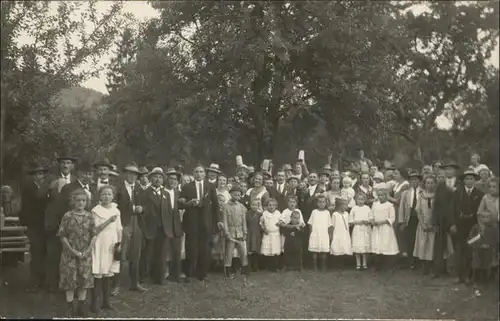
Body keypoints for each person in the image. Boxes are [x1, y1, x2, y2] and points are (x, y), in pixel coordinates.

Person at [179, 165, 222, 281]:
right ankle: (189, 272)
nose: (199, 174)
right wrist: (189, 203)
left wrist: (218, 220)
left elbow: (216, 205)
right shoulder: (187, 187)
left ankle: (202, 273)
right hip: (191, 221)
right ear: (193, 173)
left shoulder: (210, 186)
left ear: (204, 174)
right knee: (191, 248)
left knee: (205, 248)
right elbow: (180, 202)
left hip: (206, 221)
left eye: (201, 172)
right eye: (196, 172)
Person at [58, 189, 96, 317]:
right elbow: (62, 235)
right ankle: (70, 308)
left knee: (84, 281)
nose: (81, 203)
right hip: (70, 254)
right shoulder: (67, 216)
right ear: (73, 201)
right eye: (78, 200)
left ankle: (81, 307)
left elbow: (94, 235)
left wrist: (88, 251)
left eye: (83, 200)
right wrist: (72, 251)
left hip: (85, 255)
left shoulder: (90, 216)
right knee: (70, 282)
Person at [44, 154, 77, 291]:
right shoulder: (51, 180)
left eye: (68, 163)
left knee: (70, 254)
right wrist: (49, 190)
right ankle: (53, 284)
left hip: (71, 223)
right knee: (53, 254)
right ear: (59, 165)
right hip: (54, 223)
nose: (65, 165)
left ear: (72, 166)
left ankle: (68, 284)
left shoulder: (75, 181)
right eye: (63, 162)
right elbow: (43, 198)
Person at [114, 163, 147, 292]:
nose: (132, 176)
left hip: (137, 223)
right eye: (129, 173)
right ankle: (116, 285)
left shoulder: (139, 189)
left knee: (136, 254)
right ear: (125, 174)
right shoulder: (118, 188)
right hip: (123, 223)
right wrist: (133, 208)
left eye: (135, 174)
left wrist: (142, 208)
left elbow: (146, 204)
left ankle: (135, 283)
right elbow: (115, 206)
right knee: (121, 254)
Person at [91, 186, 122, 313]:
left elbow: (119, 228)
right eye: (104, 194)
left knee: (108, 274)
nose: (106, 197)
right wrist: (109, 220)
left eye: (109, 194)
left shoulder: (116, 210)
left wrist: (119, 243)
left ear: (113, 196)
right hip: (100, 243)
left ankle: (106, 302)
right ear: (99, 196)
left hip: (112, 243)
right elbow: (95, 229)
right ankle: (94, 304)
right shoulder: (96, 211)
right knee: (99, 273)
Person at [19, 163, 50, 291]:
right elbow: (31, 205)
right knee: (36, 253)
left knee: (43, 253)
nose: (39, 176)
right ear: (32, 176)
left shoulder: (43, 187)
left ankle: (42, 280)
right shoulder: (30, 188)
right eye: (37, 174)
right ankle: (34, 283)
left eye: (41, 173)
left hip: (44, 224)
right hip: (34, 225)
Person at [453, 169, 484, 284]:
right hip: (460, 225)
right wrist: (453, 224)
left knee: (471, 251)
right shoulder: (458, 193)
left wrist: (478, 225)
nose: (469, 181)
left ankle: (469, 275)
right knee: (460, 250)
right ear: (463, 180)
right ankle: (459, 275)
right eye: (467, 178)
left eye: (471, 178)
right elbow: (453, 209)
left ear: (475, 180)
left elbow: (480, 211)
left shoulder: (480, 194)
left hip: (473, 226)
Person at [222, 186, 249, 278]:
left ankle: (244, 269)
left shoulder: (241, 206)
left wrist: (245, 232)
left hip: (240, 231)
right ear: (230, 194)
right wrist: (226, 233)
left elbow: (243, 220)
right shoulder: (225, 206)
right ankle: (228, 270)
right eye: (235, 195)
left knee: (242, 251)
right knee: (229, 252)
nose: (237, 197)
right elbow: (224, 220)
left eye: (239, 195)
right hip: (231, 231)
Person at [398, 170, 423, 269]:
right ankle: (411, 261)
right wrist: (401, 221)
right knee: (410, 240)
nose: (414, 182)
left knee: (420, 239)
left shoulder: (422, 192)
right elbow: (401, 208)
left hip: (420, 219)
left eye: (416, 180)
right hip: (409, 219)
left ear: (419, 181)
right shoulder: (406, 193)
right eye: (412, 180)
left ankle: (419, 260)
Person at [370, 184, 399, 270]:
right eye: (379, 195)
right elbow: (371, 215)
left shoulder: (389, 205)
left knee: (386, 244)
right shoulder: (375, 204)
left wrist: (382, 222)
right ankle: (378, 264)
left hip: (386, 228)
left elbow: (392, 218)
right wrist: (372, 221)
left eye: (382, 195)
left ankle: (387, 264)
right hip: (377, 228)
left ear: (386, 196)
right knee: (378, 244)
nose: (381, 197)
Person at [413, 176, 438, 275]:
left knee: (432, 245)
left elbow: (438, 211)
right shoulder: (421, 195)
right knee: (423, 244)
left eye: (432, 183)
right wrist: (422, 224)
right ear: (424, 184)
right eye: (428, 183)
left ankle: (431, 265)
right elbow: (418, 211)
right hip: (423, 223)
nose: (429, 185)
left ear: (434, 184)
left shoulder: (436, 196)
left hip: (433, 224)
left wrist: (434, 223)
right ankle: (424, 266)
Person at [431, 181, 456, 278]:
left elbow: (453, 209)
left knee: (450, 247)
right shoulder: (440, 189)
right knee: (439, 247)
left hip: (449, 221)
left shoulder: (453, 191)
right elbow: (435, 209)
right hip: (440, 222)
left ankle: (449, 268)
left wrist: (453, 223)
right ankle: (438, 270)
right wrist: (434, 223)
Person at [468, 212, 499, 284]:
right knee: (476, 256)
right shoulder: (475, 228)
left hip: (490, 251)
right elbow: (469, 241)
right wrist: (479, 236)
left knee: (489, 255)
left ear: (491, 218)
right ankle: (476, 275)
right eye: (483, 217)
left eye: (487, 217)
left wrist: (489, 245)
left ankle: (487, 276)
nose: (485, 219)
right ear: (479, 218)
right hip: (477, 250)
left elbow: (496, 241)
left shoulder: (493, 229)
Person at [307, 194, 333, 271]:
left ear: (326, 203)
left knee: (323, 251)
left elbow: (329, 225)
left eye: (323, 202)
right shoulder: (314, 212)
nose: (321, 203)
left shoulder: (327, 213)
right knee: (314, 250)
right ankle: (315, 266)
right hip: (315, 233)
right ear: (316, 203)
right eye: (319, 202)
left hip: (324, 233)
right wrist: (310, 234)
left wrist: (329, 235)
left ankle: (323, 266)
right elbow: (310, 224)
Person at [349, 194, 373, 270]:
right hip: (357, 229)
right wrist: (358, 222)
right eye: (359, 199)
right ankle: (358, 263)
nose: (360, 201)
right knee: (358, 246)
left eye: (362, 199)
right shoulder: (354, 208)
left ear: (364, 200)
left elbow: (371, 218)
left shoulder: (367, 208)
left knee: (364, 247)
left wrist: (367, 222)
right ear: (356, 200)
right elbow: (350, 221)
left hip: (366, 229)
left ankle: (364, 263)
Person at [260, 198, 281, 272]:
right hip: (267, 234)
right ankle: (268, 266)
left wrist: (280, 223)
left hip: (275, 234)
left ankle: (275, 267)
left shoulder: (278, 213)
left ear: (276, 206)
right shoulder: (265, 213)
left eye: (273, 205)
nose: (271, 207)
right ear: (267, 206)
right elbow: (261, 223)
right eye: (269, 205)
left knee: (275, 250)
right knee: (268, 250)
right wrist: (264, 229)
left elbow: (281, 221)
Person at [330, 197, 352, 267]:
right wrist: (332, 234)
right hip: (337, 232)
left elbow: (348, 223)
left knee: (344, 246)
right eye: (345, 205)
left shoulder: (346, 214)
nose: (346, 207)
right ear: (340, 206)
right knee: (337, 246)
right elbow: (332, 225)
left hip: (345, 233)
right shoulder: (335, 214)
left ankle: (343, 263)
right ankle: (336, 264)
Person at [246, 199, 262, 272]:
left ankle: (255, 267)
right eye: (253, 205)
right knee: (249, 250)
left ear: (258, 206)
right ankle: (248, 266)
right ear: (250, 205)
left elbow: (261, 224)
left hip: (257, 234)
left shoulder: (260, 214)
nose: (254, 206)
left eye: (256, 205)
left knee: (256, 250)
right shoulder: (247, 213)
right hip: (249, 233)